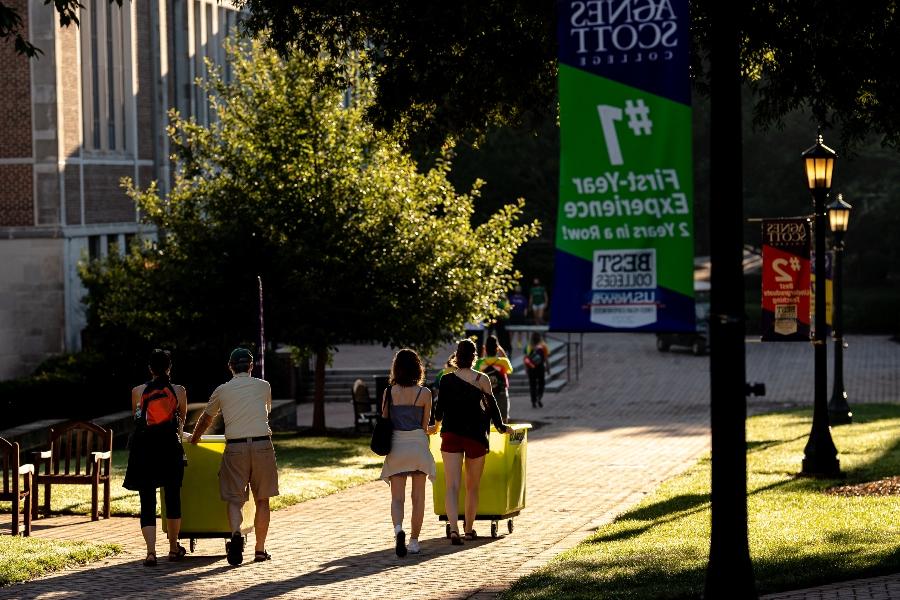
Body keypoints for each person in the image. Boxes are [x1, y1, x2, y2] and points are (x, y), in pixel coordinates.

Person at [189, 348, 279, 565]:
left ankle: (236, 534)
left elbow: (206, 419)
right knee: (263, 499)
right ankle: (259, 549)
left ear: (230, 367)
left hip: (235, 447)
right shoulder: (263, 386)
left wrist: (194, 439)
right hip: (262, 445)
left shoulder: (222, 390)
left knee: (234, 498)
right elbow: (265, 412)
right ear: (251, 366)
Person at [433, 339, 508, 545]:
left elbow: (439, 410)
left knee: (451, 486)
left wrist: (435, 425)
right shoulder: (481, 379)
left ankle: (454, 529)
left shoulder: (446, 380)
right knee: (472, 487)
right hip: (476, 436)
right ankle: (468, 529)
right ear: (474, 357)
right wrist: (501, 428)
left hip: (451, 435)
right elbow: (493, 408)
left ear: (456, 357)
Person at [123, 349, 188, 567]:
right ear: (170, 367)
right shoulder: (178, 391)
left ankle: (151, 552)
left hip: (143, 451)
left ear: (150, 368)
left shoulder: (137, 391)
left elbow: (138, 419)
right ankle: (173, 548)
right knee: (172, 498)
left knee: (147, 502)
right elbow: (181, 422)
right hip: (169, 448)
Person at [379, 349, 437, 557]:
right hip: (418, 446)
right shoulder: (425, 393)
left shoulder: (389, 392)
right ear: (417, 368)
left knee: (397, 498)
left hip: (396, 445)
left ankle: (398, 531)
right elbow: (424, 425)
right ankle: (413, 541)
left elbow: (385, 420)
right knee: (418, 497)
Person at [475, 335, 514, 421]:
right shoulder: (503, 362)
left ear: (486, 349)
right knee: (503, 419)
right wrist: (501, 350)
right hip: (501, 393)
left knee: (486, 420)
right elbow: (510, 370)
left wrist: (483, 352)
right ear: (497, 348)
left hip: (485, 395)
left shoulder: (480, 362)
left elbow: (476, 373)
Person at [524, 332, 551, 408]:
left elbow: (526, 358)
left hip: (531, 368)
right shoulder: (543, 346)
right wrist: (548, 368)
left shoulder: (529, 346)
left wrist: (526, 368)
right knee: (541, 383)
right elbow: (546, 358)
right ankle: (539, 396)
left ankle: (533, 401)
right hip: (540, 368)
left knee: (532, 385)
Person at [507, 285, 529, 353]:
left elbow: (525, 308)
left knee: (520, 331)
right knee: (511, 331)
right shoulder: (511, 298)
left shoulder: (523, 298)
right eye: (516, 288)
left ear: (520, 290)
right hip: (513, 316)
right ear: (515, 290)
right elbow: (508, 307)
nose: (518, 289)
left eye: (519, 288)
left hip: (520, 316)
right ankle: (509, 343)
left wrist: (524, 315)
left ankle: (519, 343)